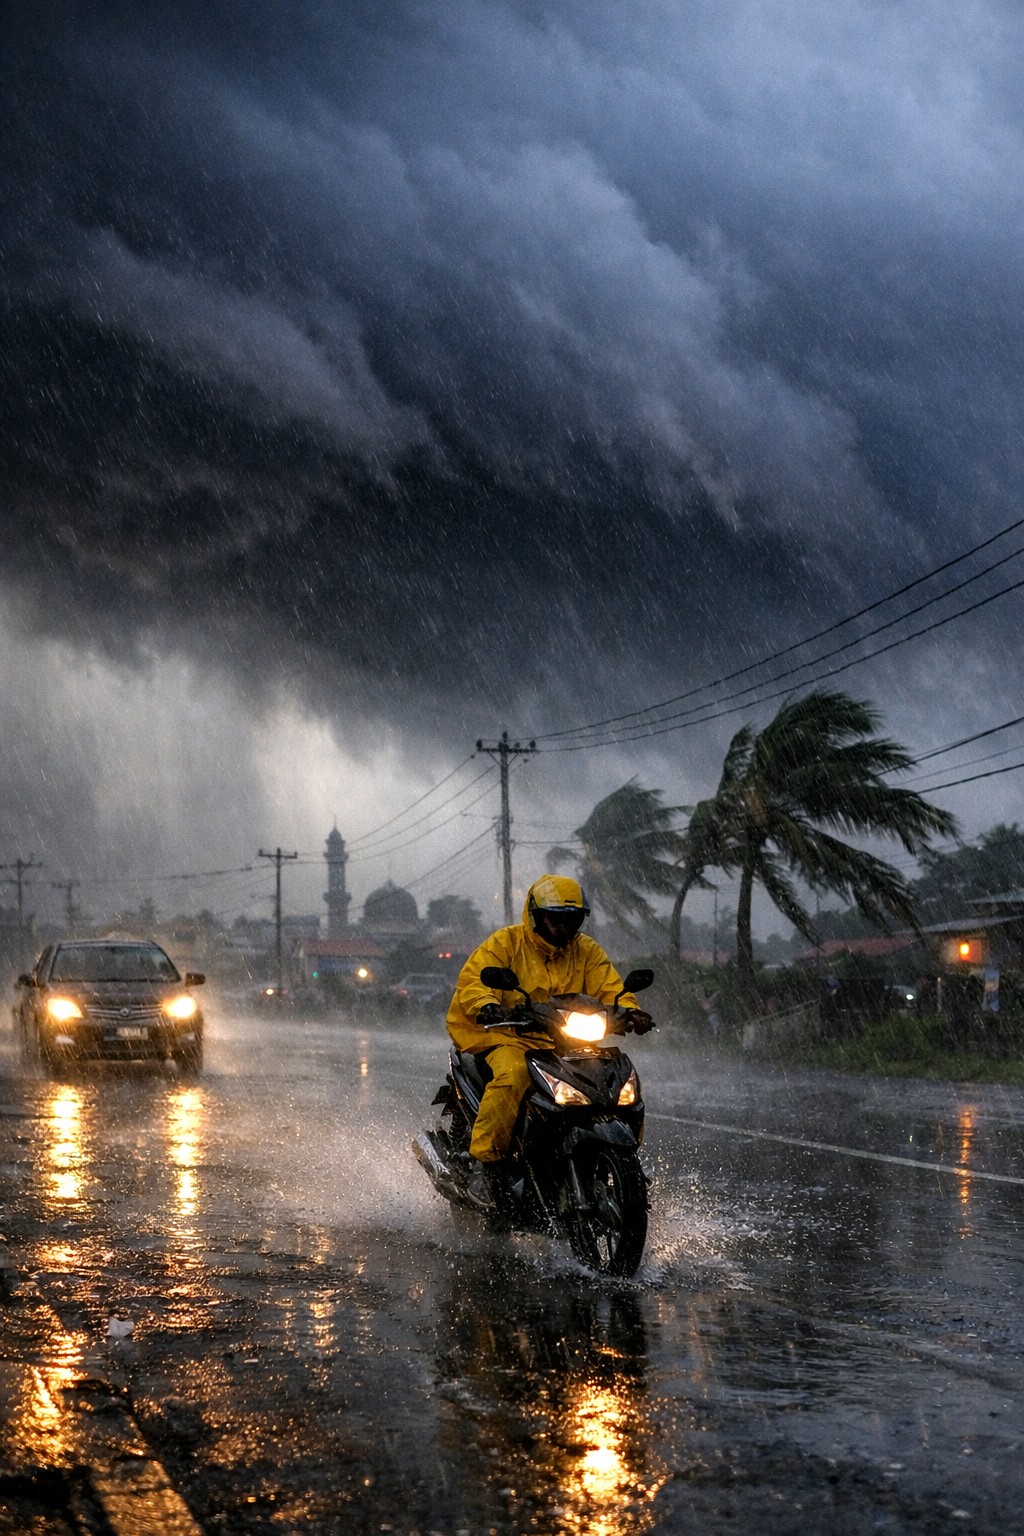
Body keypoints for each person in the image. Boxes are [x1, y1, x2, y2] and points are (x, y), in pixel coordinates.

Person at [446, 874, 654, 1208]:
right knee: (514, 1075)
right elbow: (475, 979)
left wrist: (631, 1011)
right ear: (537, 915)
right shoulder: (507, 943)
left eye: (571, 919)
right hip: (509, 1035)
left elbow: (612, 987)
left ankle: (620, 1158)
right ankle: (487, 1167)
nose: (564, 926)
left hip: (564, 1040)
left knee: (615, 1077)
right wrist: (487, 1005)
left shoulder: (586, 951)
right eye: (555, 917)